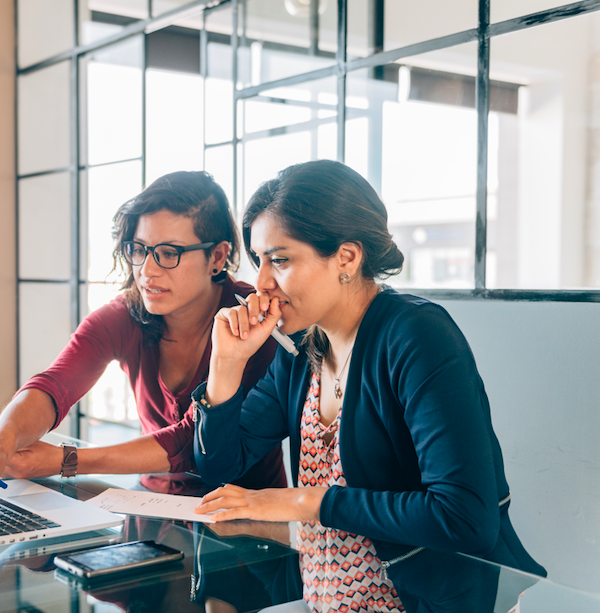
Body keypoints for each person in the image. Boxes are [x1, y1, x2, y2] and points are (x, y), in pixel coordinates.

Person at [192, 160, 545, 610]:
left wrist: (307, 500)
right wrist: (225, 366)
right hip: (324, 602)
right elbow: (219, 467)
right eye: (259, 260)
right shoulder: (303, 350)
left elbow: (464, 517)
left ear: (347, 257)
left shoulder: (417, 336)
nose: (261, 283)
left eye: (279, 260)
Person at [0, 170, 286, 497]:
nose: (147, 270)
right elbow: (55, 385)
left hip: (245, 522)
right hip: (151, 505)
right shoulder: (127, 314)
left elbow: (190, 442)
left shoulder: (253, 322)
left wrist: (66, 460)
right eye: (139, 249)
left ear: (216, 257)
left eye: (169, 253)